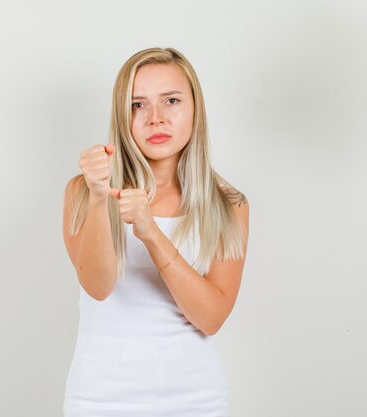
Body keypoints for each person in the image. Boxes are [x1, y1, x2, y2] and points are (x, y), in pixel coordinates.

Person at [62, 47, 249, 417]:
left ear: (195, 108)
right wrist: (101, 196)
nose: (156, 119)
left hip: (196, 401)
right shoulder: (82, 192)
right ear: (122, 114)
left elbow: (211, 318)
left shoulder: (228, 204)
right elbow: (98, 287)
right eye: (137, 105)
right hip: (100, 399)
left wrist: (151, 232)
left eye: (172, 101)